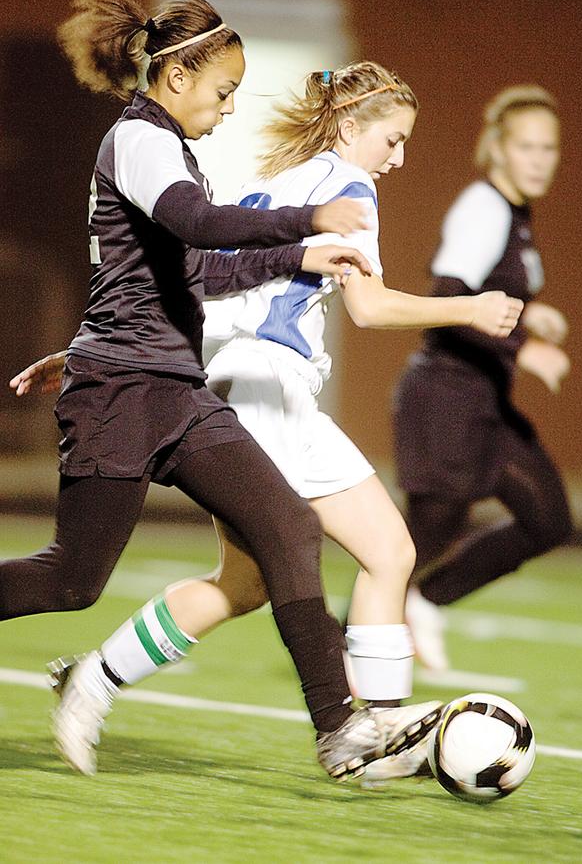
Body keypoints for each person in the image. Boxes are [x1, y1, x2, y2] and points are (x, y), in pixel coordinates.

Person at [13, 59, 523, 784]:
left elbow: (198, 288)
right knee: (336, 553)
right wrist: (468, 309)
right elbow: (371, 308)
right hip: (265, 388)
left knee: (304, 570)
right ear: (351, 128)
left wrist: (92, 350)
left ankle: (99, 675)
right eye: (393, 139)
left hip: (249, 383)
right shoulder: (348, 190)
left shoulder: (278, 185)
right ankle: (364, 736)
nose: (399, 157)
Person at [392, 85, 572, 671]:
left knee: (547, 519)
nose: (541, 159)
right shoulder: (484, 205)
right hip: (444, 395)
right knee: (415, 542)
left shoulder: (516, 212)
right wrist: (523, 348)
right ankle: (349, 642)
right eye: (527, 146)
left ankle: (426, 602)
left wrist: (528, 311)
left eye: (549, 147)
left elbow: (487, 291)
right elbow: (447, 295)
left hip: (482, 400)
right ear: (497, 147)